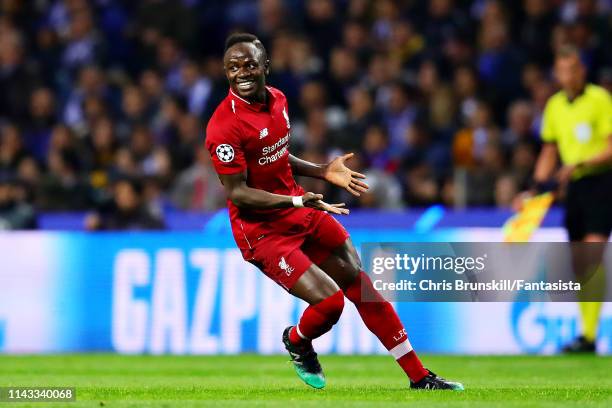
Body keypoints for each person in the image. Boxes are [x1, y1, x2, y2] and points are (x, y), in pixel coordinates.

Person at [205, 33, 463, 390]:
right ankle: (296, 340)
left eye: (249, 64)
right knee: (330, 304)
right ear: (225, 72)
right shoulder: (223, 126)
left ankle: (420, 378)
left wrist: (323, 170)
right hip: (263, 231)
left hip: (300, 208)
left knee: (361, 284)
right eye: (233, 67)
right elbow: (239, 193)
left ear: (266, 66)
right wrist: (296, 200)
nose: (242, 73)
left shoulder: (278, 100)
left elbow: (278, 156)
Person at [516, 45, 612, 353]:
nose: (568, 75)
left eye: (573, 69)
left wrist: (581, 163)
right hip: (574, 188)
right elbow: (549, 151)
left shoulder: (600, 100)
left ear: (582, 70)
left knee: (592, 252)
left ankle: (587, 334)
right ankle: (587, 335)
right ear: (557, 74)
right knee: (580, 261)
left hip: (601, 181)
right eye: (562, 70)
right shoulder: (555, 106)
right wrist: (534, 188)